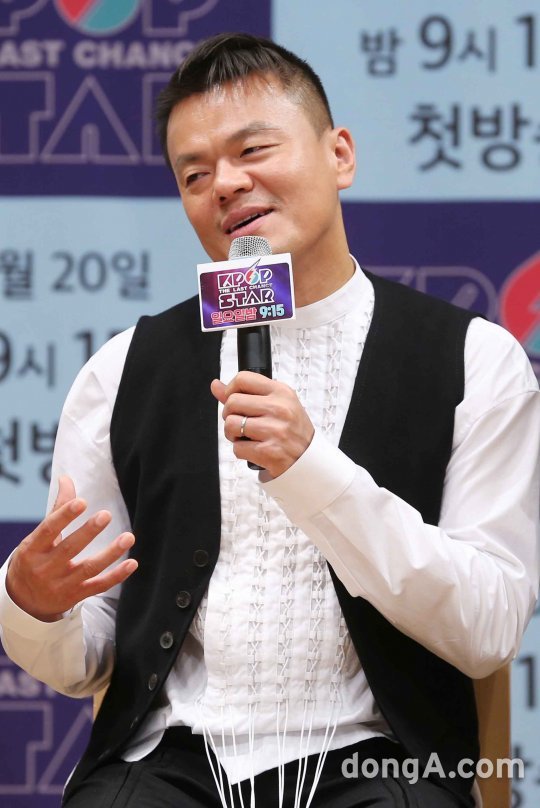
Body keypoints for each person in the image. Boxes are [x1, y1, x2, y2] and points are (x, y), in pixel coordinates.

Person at [1, 32, 539, 808]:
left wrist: (312, 471)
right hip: (172, 762)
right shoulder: (122, 371)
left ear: (339, 155)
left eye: (253, 150)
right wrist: (33, 606)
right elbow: (87, 660)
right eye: (195, 174)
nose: (226, 184)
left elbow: (488, 627)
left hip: (380, 760)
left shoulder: (475, 360)